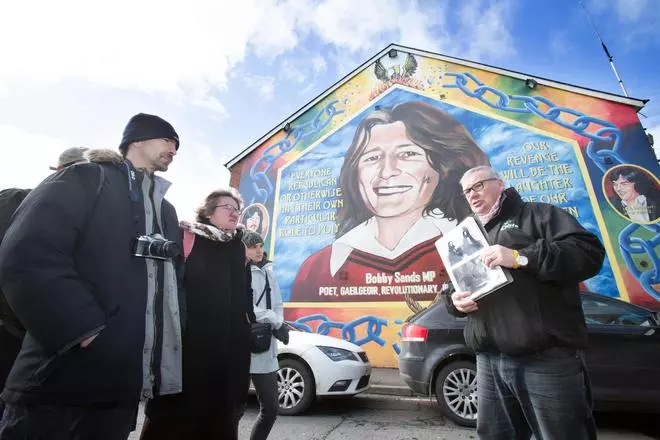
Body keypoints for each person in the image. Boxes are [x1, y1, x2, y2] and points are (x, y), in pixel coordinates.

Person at [0, 113, 185, 440]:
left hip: (119, 391)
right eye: (167, 139)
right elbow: (28, 252)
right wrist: (82, 329)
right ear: (137, 140)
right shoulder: (86, 178)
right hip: (58, 382)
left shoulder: (166, 211)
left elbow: (171, 287)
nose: (174, 148)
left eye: (176, 144)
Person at [444, 165, 605, 440]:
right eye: (467, 191)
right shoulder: (465, 235)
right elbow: (450, 287)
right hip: (488, 358)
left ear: (500, 184)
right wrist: (453, 301)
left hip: (545, 359)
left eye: (478, 186)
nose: (472, 195)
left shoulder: (539, 215)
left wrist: (520, 257)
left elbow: (588, 254)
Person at [291, 101, 489, 302]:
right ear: (355, 173)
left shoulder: (469, 247)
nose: (386, 172)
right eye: (372, 157)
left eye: (407, 154)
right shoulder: (317, 269)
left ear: (441, 168)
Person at [140, 188, 255, 440]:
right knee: (172, 422)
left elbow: (243, 295)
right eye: (228, 207)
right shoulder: (187, 237)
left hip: (226, 356)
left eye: (237, 209)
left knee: (219, 421)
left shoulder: (238, 246)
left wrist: (248, 328)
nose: (235, 213)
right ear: (208, 212)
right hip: (187, 349)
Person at [0, 146, 91, 409]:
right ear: (60, 172)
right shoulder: (15, 200)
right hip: (10, 333)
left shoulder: (89, 224)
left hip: (46, 343)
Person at [243, 230, 288, 440]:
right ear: (244, 249)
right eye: (253, 246)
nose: (258, 250)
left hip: (265, 347)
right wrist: (273, 318)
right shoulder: (240, 272)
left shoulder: (269, 271)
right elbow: (245, 307)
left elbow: (278, 303)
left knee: (270, 409)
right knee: (231, 410)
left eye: (260, 245)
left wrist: (279, 323)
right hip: (241, 345)